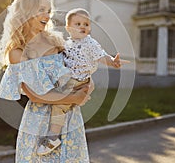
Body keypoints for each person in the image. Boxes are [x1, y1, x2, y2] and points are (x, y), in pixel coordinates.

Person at [0, 0, 92, 162]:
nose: (47, 15)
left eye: (48, 11)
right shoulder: (18, 52)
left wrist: (87, 84)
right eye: (41, 10)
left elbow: (77, 69)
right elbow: (35, 95)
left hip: (70, 120)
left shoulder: (56, 41)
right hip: (39, 124)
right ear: (25, 13)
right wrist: (75, 98)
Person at [37, 8, 130, 155]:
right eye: (78, 23)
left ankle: (53, 138)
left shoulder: (89, 43)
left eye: (86, 24)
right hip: (70, 79)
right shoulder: (68, 43)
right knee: (58, 101)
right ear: (68, 28)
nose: (82, 27)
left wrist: (113, 62)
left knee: (59, 105)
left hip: (77, 81)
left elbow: (101, 56)